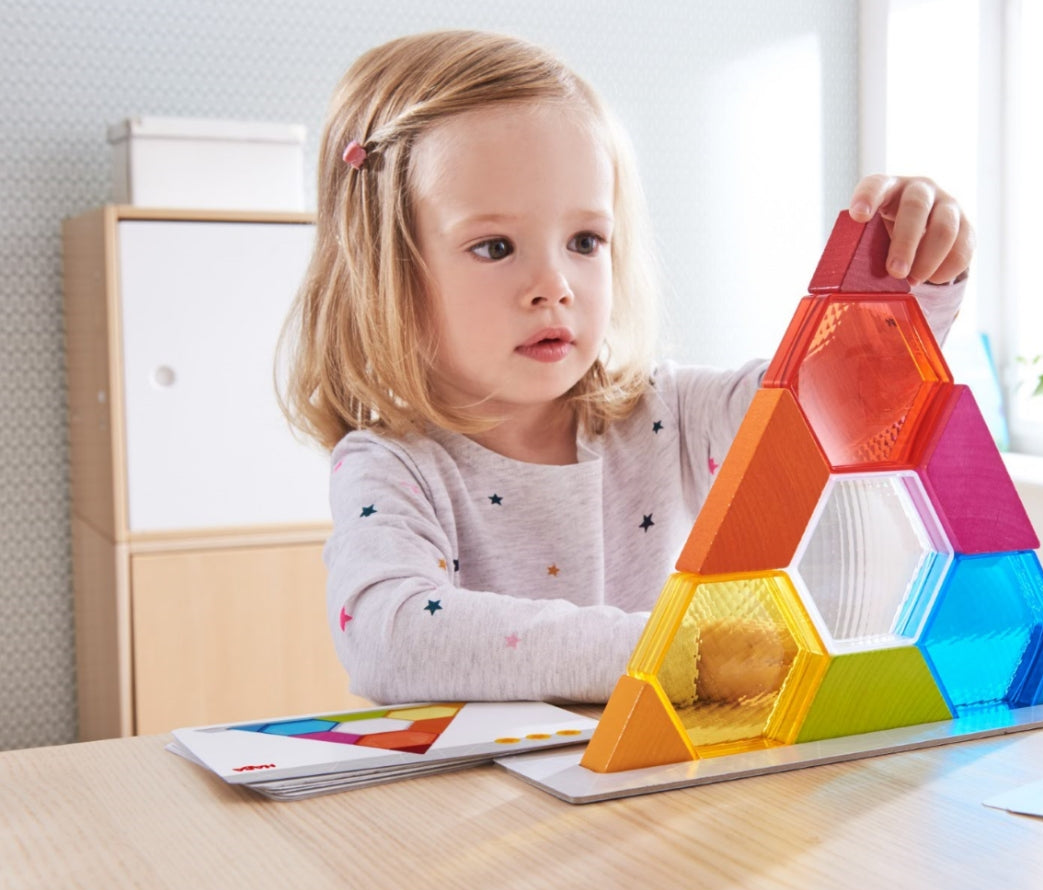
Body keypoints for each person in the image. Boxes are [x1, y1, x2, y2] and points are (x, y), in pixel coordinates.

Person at [282, 30, 974, 705]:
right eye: (494, 246)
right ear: (386, 273)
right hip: (475, 813)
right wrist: (677, 652)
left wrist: (910, 289)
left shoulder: (667, 414)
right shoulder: (392, 465)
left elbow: (843, 415)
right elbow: (388, 636)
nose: (553, 283)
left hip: (645, 796)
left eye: (584, 240)